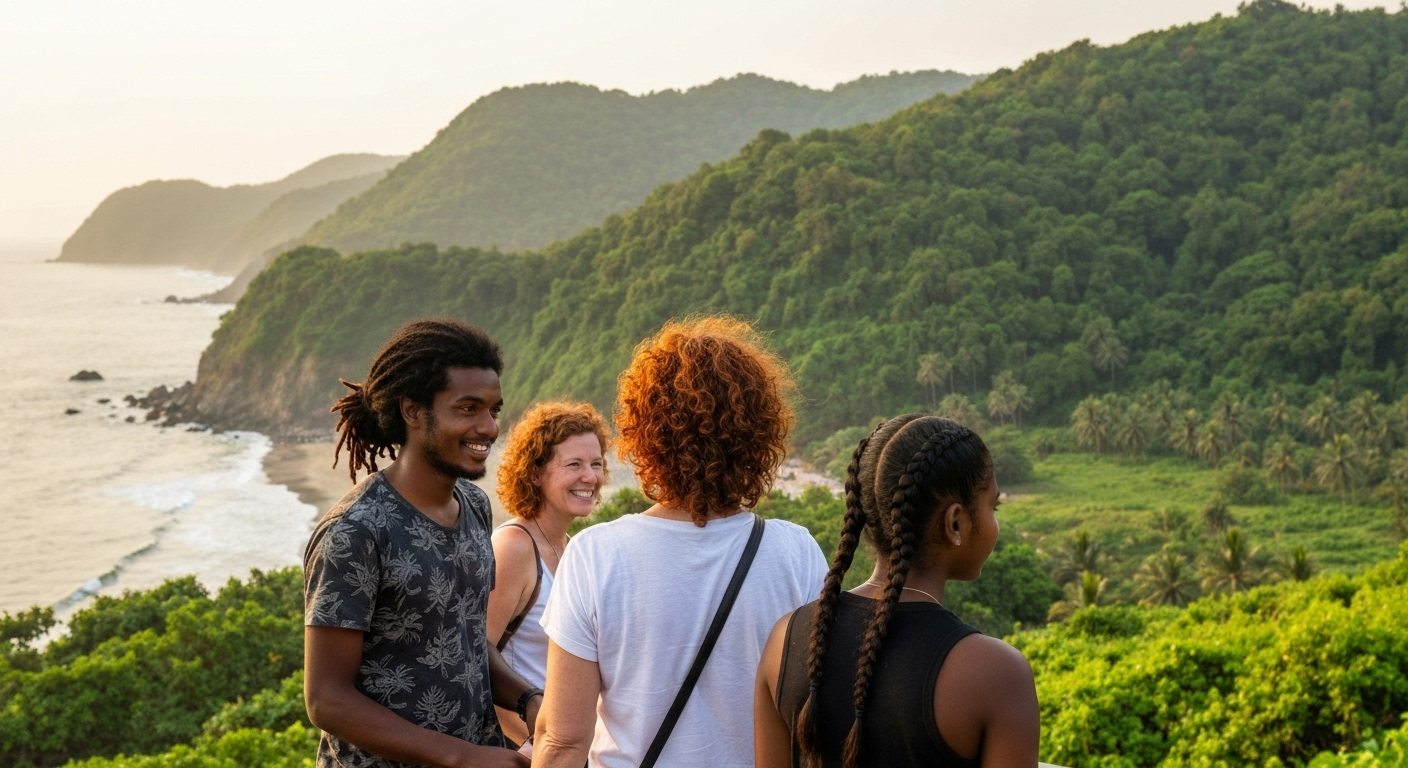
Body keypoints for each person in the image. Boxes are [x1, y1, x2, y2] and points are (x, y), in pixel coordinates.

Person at [531, 317, 829, 768]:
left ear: (645, 435)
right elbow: (817, 720)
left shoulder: (595, 555)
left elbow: (563, 740)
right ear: (757, 435)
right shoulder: (797, 552)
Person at [302, 318, 541, 768]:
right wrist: (463, 758)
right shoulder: (356, 530)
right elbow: (326, 699)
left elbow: (465, 637)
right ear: (413, 411)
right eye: (468, 408)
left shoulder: (474, 505)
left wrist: (528, 699)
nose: (489, 427)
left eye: (493, 410)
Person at [753, 414, 1040, 768]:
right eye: (992, 506)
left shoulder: (785, 640)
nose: (995, 521)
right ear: (955, 523)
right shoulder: (995, 675)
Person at [488, 401, 611, 745]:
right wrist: (532, 746)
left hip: (573, 746)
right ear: (535, 473)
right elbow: (476, 659)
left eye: (596, 464)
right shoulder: (513, 546)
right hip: (526, 748)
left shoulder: (576, 549)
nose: (590, 477)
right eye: (574, 464)